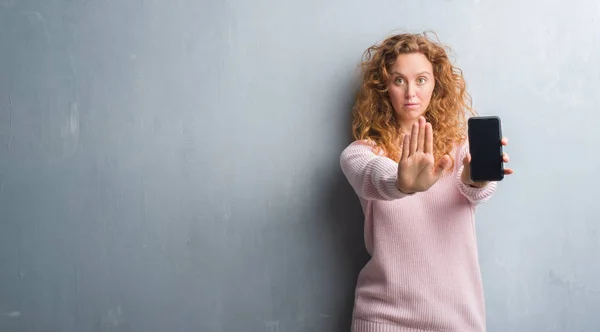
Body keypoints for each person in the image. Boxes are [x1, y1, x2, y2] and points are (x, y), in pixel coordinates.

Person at [340, 31, 514, 332]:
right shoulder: (361, 153)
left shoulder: (461, 149)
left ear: (436, 85)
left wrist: (474, 181)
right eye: (399, 80)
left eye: (421, 79)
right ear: (384, 87)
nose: (411, 93)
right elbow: (374, 175)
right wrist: (401, 183)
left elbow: (479, 188)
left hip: (458, 320)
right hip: (383, 319)